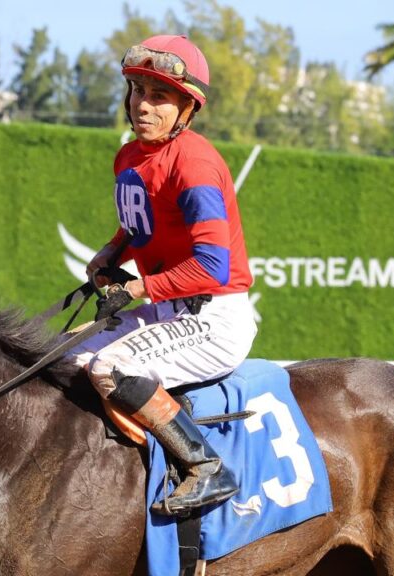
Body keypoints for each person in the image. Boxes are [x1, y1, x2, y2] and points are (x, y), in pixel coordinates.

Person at [71, 35, 257, 516]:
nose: (143, 105)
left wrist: (136, 287)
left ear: (186, 109)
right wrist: (109, 253)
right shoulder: (129, 156)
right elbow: (138, 226)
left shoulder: (194, 163)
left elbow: (212, 265)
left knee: (111, 368)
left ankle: (207, 467)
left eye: (159, 97)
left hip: (214, 320)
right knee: (62, 357)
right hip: (168, 312)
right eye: (138, 91)